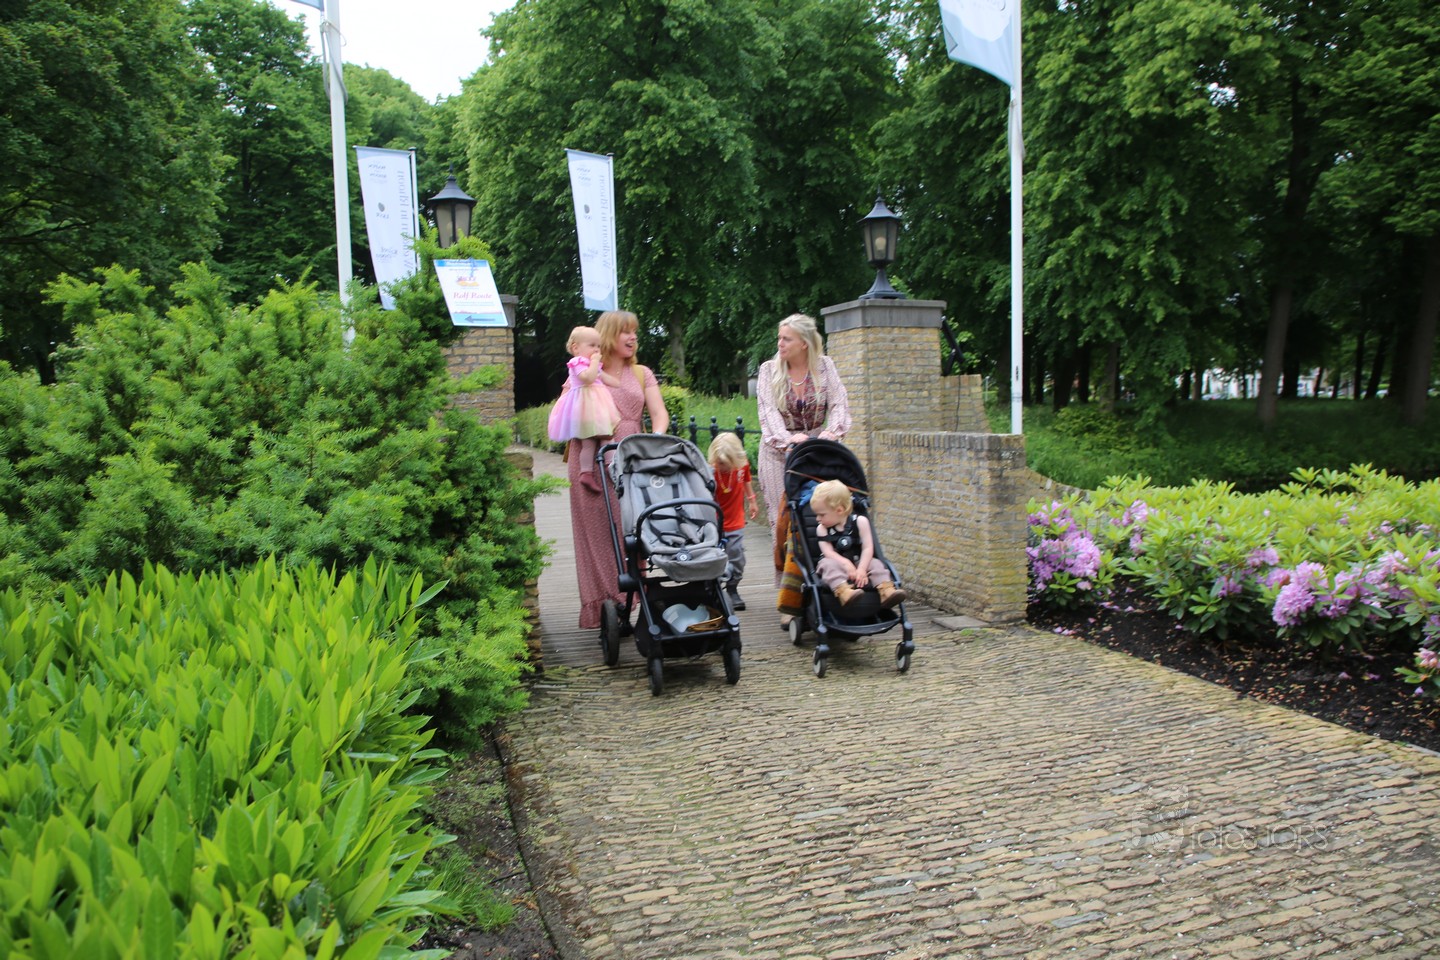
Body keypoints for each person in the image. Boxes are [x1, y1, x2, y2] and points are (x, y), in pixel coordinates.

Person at [566, 310, 670, 629]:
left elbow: (659, 414)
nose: (633, 337)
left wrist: (655, 441)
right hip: (591, 458)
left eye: (635, 331)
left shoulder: (641, 373)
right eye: (626, 331)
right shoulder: (584, 371)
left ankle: (632, 598)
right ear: (608, 335)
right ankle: (609, 606)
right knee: (598, 538)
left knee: (632, 532)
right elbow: (567, 409)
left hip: (632, 457)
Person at [755, 313, 852, 603]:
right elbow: (768, 412)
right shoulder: (769, 370)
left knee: (822, 511)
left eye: (787, 339)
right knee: (783, 520)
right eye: (779, 337)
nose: (780, 343)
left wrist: (832, 433)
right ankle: (789, 593)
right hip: (778, 453)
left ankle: (829, 578)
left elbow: (839, 403)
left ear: (805, 343)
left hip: (818, 451)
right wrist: (787, 439)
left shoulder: (825, 367)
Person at [809, 479, 908, 609]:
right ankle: (844, 592)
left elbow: (867, 548)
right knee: (827, 564)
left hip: (859, 562)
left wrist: (861, 569)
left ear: (839, 510)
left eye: (821, 515)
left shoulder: (860, 522)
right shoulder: (822, 529)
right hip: (836, 564)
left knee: (876, 563)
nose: (817, 519)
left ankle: (886, 591)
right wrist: (845, 563)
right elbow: (828, 552)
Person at [548, 325, 622, 492]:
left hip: (597, 407)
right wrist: (595, 363)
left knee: (603, 437)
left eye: (598, 346)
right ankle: (590, 471)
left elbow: (606, 379)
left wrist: (617, 380)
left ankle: (606, 467)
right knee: (591, 441)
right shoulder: (577, 363)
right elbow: (588, 379)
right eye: (592, 345)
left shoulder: (592, 365)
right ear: (576, 348)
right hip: (584, 407)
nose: (596, 350)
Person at [706, 432, 759, 611]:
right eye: (719, 463)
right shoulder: (710, 472)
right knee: (712, 556)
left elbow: (746, 481)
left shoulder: (741, 466)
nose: (722, 467)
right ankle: (711, 588)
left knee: (736, 556)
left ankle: (732, 587)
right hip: (714, 521)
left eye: (726, 464)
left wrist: (752, 500)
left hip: (735, 519)